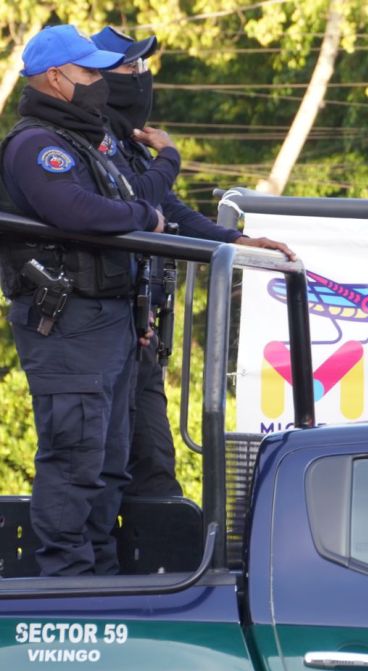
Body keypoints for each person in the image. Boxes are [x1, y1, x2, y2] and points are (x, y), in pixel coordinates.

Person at [90, 27, 295, 498]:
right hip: (106, 328)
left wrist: (238, 239)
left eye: (142, 66)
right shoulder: (93, 142)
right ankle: (95, 549)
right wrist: (169, 157)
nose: (142, 76)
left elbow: (172, 211)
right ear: (99, 76)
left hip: (140, 330)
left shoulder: (128, 142)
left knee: (155, 468)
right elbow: (139, 202)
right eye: (130, 66)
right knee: (103, 465)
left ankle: (154, 545)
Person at [0, 25, 166, 575]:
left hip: (107, 319)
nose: (100, 82)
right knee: (74, 460)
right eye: (89, 72)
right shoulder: (36, 145)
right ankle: (67, 582)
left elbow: (134, 197)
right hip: (68, 324)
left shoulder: (84, 141)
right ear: (54, 78)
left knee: (109, 462)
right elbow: (75, 211)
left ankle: (99, 576)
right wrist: (143, 218)